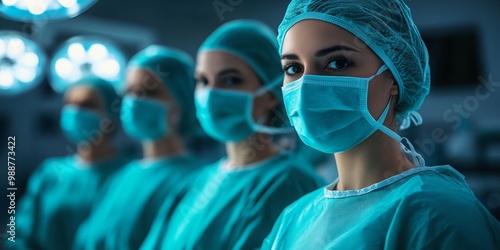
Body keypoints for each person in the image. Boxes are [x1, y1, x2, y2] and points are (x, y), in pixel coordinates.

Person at [262, 0, 500, 249]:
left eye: (338, 63)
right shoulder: (295, 218)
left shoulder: (438, 213)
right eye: (293, 68)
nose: (307, 85)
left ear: (394, 76)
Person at [140, 20, 324, 250]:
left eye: (230, 80)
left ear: (270, 93)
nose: (211, 94)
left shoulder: (288, 182)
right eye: (203, 81)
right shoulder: (200, 180)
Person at [72, 45, 205, 250]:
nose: (134, 101)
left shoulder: (195, 181)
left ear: (180, 103)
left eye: (147, 92)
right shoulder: (122, 176)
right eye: (129, 92)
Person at [7, 77, 129, 250]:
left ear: (112, 113)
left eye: (87, 104)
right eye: (69, 104)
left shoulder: (128, 176)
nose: (75, 111)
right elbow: (19, 234)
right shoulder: (50, 173)